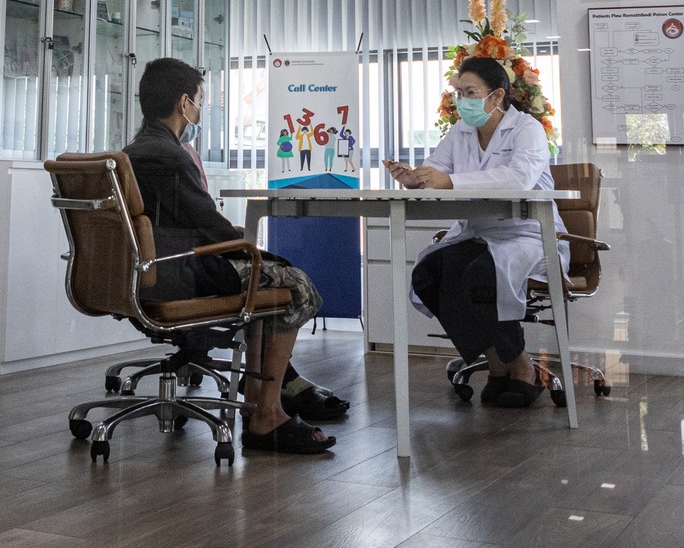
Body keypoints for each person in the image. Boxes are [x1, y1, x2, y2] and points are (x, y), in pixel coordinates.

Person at [125, 58, 350, 452]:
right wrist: (257, 251)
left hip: (145, 272)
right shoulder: (170, 156)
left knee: (269, 282)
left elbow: (185, 221)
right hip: (180, 275)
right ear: (183, 104)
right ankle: (267, 417)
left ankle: (260, 402)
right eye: (198, 99)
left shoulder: (131, 152)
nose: (200, 107)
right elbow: (209, 227)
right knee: (296, 285)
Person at [385, 55, 565, 408]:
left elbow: (519, 178)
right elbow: (437, 170)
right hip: (478, 232)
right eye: (459, 93)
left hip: (526, 234)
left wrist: (450, 180)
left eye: (470, 92)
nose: (462, 100)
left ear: (497, 97)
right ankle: (500, 363)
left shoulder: (527, 129)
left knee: (481, 276)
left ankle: (523, 367)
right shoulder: (460, 132)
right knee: (431, 273)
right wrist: (416, 179)